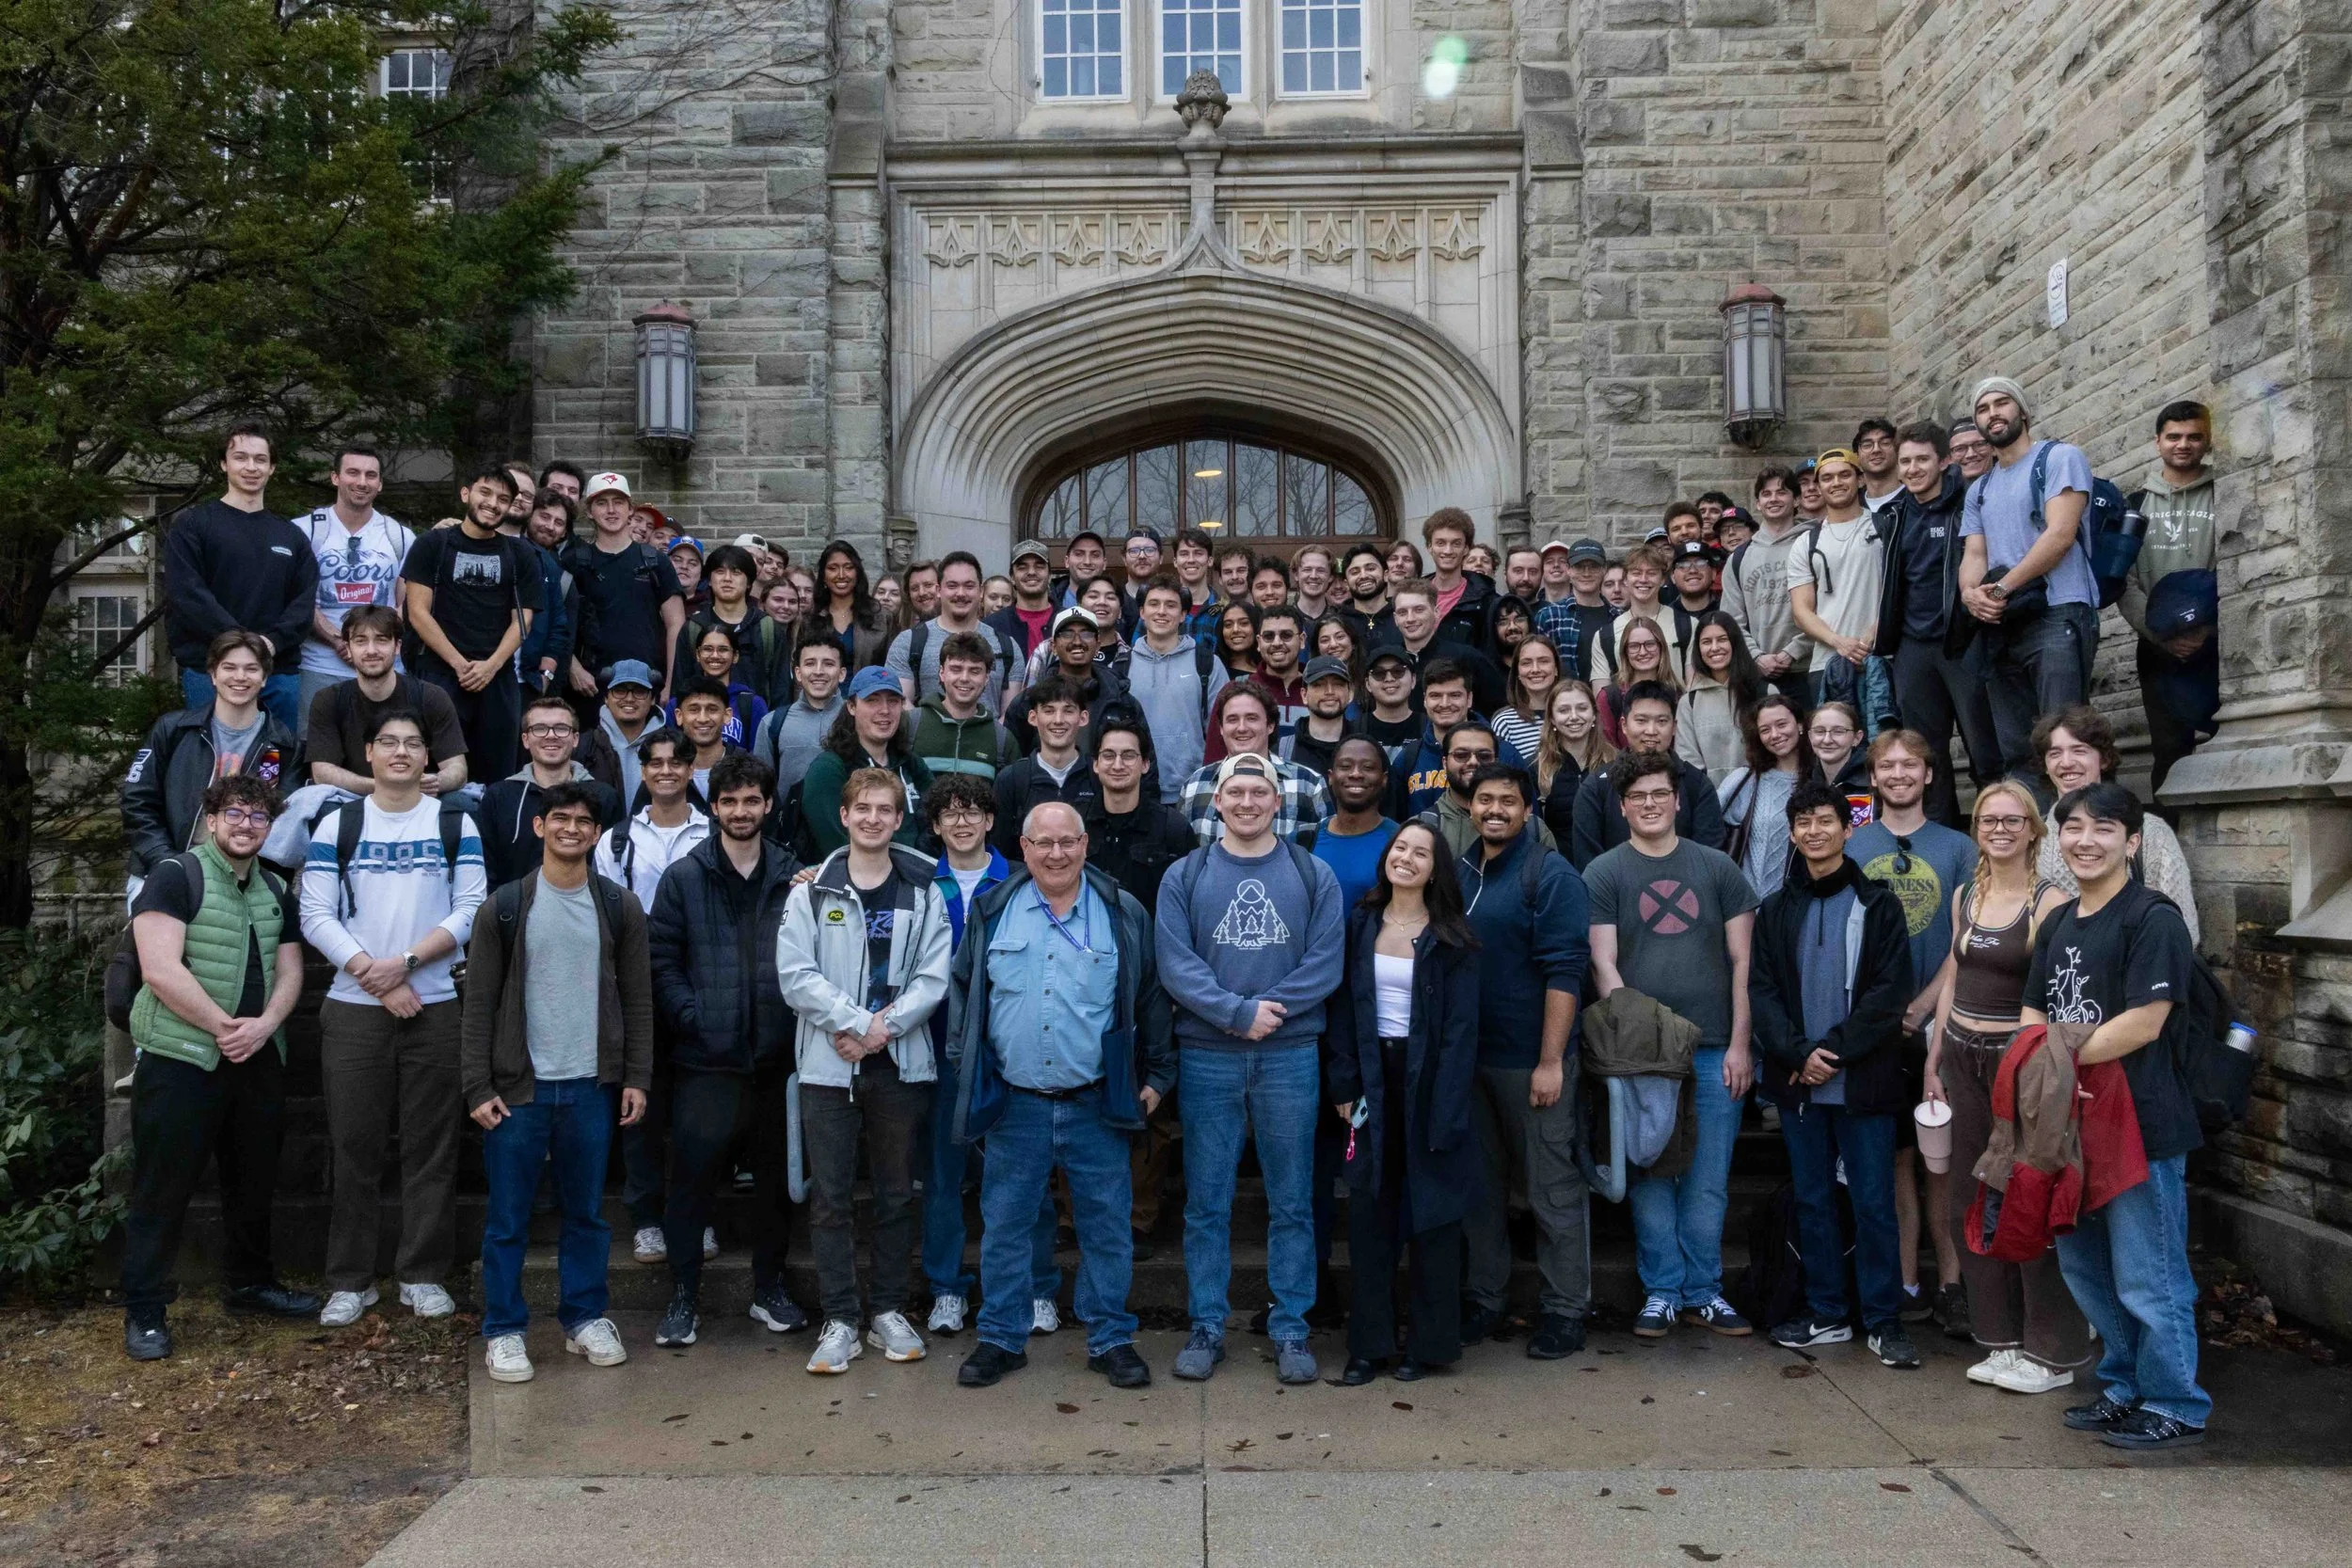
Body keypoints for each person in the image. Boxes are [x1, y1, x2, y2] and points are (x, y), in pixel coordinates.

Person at [947, 801, 1175, 1389]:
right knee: (1006, 1227)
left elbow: (1150, 997)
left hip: (1097, 1104)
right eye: (1043, 843)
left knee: (1107, 1228)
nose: (1056, 854)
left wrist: (1157, 1078)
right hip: (1015, 1103)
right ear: (1023, 848)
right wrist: (967, 1067)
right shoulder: (993, 910)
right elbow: (964, 991)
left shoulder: (1121, 911)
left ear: (1084, 844)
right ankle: (1001, 1338)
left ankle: (1111, 1339)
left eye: (1067, 841)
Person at [2023, 782, 2210, 1450]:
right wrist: (2045, 1066)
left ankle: (2176, 1401)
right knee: (2089, 1270)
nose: (2086, 840)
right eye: (2074, 827)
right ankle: (2126, 1385)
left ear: (2132, 842)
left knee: (2149, 1273)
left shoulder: (2152, 918)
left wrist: (2057, 1059)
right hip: (2071, 1127)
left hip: (2142, 1125)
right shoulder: (2057, 923)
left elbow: (2145, 1022)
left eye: (2104, 829)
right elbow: (2033, 1012)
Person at [1157, 754, 1346, 1386]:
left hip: (1289, 1056)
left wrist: (1268, 1014)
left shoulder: (1311, 873)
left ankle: (1291, 1326)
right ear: (1217, 802)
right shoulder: (1185, 875)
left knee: (1292, 1200)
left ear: (1277, 801)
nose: (1246, 802)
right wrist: (1236, 1013)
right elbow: (1175, 964)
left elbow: (1326, 961)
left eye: (1258, 792)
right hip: (1208, 1056)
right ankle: (1207, 1325)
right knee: (1206, 1201)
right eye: (1235, 792)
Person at [119, 776, 321, 1359]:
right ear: (211, 820)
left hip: (256, 1058)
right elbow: (160, 968)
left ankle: (250, 1285)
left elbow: (290, 971)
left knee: (253, 1182)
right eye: (234, 813)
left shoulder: (276, 888)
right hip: (182, 1058)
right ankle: (145, 1309)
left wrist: (264, 1025)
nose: (245, 825)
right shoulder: (174, 875)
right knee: (162, 1187)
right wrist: (223, 1027)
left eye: (258, 817)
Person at [299, 710, 486, 1327]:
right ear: (369, 753)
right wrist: (373, 976)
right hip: (355, 1010)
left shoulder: (455, 821)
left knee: (432, 1147)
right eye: (389, 742)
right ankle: (350, 1279)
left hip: (435, 1006)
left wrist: (404, 965)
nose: (401, 752)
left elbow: (471, 909)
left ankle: (422, 1274)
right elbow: (315, 913)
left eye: (413, 743)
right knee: (354, 1147)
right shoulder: (339, 822)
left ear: (428, 758)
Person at [463, 782, 652, 1384]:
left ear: (597, 834)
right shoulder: (504, 907)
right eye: (561, 818)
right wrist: (477, 1086)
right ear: (540, 826)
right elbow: (479, 1004)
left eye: (584, 821)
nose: (572, 828)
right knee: (508, 1219)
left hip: (591, 1086)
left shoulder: (619, 906)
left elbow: (638, 1000)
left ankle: (584, 1318)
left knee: (587, 1214)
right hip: (519, 1089)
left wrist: (636, 1076)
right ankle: (504, 1329)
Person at [775, 767, 954, 1374]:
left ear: (899, 819)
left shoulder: (922, 889)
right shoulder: (811, 891)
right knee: (830, 1198)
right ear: (844, 815)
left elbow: (933, 976)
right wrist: (856, 1022)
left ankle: (887, 1310)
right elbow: (796, 975)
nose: (873, 818)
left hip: (899, 1066)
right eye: (863, 808)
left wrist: (883, 1029)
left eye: (885, 809)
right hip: (828, 1067)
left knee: (896, 1195)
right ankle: (841, 1319)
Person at [1586, 752, 1760, 1341]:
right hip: (1643, 1057)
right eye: (1638, 796)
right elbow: (1604, 963)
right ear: (1623, 806)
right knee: (1651, 1174)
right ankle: (1662, 1289)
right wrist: (1636, 1039)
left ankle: (1704, 1291)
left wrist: (1741, 1044)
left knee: (1708, 1177)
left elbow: (1743, 962)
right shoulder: (1604, 872)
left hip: (1715, 1047)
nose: (1651, 804)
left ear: (1678, 800)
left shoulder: (1717, 868)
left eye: (1660, 793)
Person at [1751, 780, 1921, 1369]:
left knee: (1873, 1202)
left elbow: (1890, 992)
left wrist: (1834, 1053)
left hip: (1862, 1082)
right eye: (1803, 823)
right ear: (1792, 835)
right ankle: (1827, 1311)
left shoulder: (1879, 905)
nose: (1814, 831)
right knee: (1814, 1200)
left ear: (1848, 830)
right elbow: (1762, 991)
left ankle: (1883, 1319)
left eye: (1825, 821)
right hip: (1799, 1083)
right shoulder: (1775, 909)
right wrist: (1799, 1054)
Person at [1926, 782, 2085, 1391]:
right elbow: (1952, 976)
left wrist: (2044, 1069)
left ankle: (2051, 1352)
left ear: (2033, 830)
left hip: (2017, 1062)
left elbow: (2058, 994)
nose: (1999, 829)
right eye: (1989, 819)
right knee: (1969, 1197)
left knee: (2027, 1197)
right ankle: (1999, 1340)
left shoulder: (2050, 902)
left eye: (2012, 820)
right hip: (1960, 1055)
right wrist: (1934, 1057)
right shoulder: (1966, 894)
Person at [646, 753, 807, 1349]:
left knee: (774, 1186)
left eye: (752, 800)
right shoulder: (684, 878)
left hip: (775, 1060)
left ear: (768, 805)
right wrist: (693, 1018)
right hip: (705, 1061)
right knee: (691, 1183)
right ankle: (682, 1297)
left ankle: (769, 1289)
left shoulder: (795, 877)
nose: (741, 811)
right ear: (713, 807)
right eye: (730, 801)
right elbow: (661, 960)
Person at [1323, 819, 1479, 1384]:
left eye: (1421, 853)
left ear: (1436, 869)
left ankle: (1429, 1345)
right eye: (1400, 848)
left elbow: (1461, 1031)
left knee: (1432, 1217)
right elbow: (1342, 1006)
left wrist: (1447, 1107)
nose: (1406, 858)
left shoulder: (1454, 937)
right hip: (1371, 1076)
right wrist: (1344, 1083)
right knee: (1370, 1213)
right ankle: (1370, 1345)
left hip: (1431, 1082)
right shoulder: (1360, 923)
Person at [1455, 765, 1593, 1357]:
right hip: (1470, 1063)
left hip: (1531, 1062)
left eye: (1507, 801)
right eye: (1484, 799)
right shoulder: (1460, 871)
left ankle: (1565, 1309)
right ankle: (1486, 1298)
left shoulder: (1550, 874)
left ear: (1528, 808)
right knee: (1481, 1190)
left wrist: (1551, 1061)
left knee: (1551, 1189)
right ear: (1469, 807)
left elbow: (1565, 971)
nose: (1494, 809)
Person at [915, 774, 1056, 1335]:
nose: (962, 822)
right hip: (941, 1049)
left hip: (1010, 1049)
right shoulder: (921, 881)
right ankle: (947, 1288)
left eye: (972, 811)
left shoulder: (1023, 880)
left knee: (1027, 1175)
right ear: (935, 825)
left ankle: (1038, 1288)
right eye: (950, 813)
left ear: (991, 821)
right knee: (944, 1175)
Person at [1849, 731, 1977, 1329]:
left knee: (1942, 1159)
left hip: (1943, 1019)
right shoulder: (1854, 846)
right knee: (1896, 1158)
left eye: (1911, 765)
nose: (1899, 774)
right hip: (1877, 1029)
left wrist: (1924, 1005)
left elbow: (1969, 936)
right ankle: (1905, 1282)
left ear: (1928, 774)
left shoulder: (1957, 848)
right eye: (1887, 766)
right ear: (1873, 777)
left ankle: (1952, 1282)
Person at [1958, 377, 2101, 768]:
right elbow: (1974, 553)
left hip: (2058, 611)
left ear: (2022, 411)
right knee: (2017, 750)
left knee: (2066, 738)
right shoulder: (1979, 489)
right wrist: (1971, 594)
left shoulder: (2059, 458)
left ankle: (2080, 809)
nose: (1993, 413)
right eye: (1983, 409)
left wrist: (2001, 588)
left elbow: (2060, 535)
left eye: (2001, 403)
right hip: (2003, 623)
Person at [1877, 420, 2002, 826]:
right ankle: (1938, 842)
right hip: (1912, 647)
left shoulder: (1968, 503)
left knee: (1985, 749)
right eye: (1906, 461)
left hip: (1963, 640)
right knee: (1925, 755)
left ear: (1944, 461)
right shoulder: (1894, 514)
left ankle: (1996, 834)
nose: (1913, 469)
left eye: (1922, 460)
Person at [123, 632, 302, 898]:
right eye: (229, 667)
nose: (240, 677)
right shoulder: (173, 730)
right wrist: (168, 864)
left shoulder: (284, 746)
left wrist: (249, 878)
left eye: (251, 669)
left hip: (243, 881)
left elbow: (283, 823)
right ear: (213, 675)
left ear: (265, 677)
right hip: (165, 868)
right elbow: (138, 802)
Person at [163, 425, 316, 731]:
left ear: (272, 468)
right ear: (224, 463)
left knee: (276, 757)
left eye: (260, 459)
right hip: (211, 671)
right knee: (214, 757)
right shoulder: (193, 525)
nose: (251, 467)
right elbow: (188, 594)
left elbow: (303, 603)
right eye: (240, 457)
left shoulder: (291, 536)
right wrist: (240, 644)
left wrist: (271, 643)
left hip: (277, 673)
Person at [401, 465, 541, 779]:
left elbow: (523, 620)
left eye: (503, 499)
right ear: (466, 494)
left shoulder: (520, 554)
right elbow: (417, 612)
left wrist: (490, 666)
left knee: (497, 777)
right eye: (485, 493)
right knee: (433, 774)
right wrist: (459, 664)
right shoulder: (432, 544)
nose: (493, 503)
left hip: (497, 679)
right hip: (438, 676)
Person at [2029, 705, 2201, 938]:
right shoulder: (2031, 836)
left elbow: (2181, 930)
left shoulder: (2151, 832)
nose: (2066, 762)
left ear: (2104, 759)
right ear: (2045, 765)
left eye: (2079, 750)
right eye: (2055, 753)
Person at [2122, 401, 2220, 794]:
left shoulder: (2227, 491)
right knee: (2168, 753)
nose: (2183, 445)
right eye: (2174, 437)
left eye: (2194, 437)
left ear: (2207, 441)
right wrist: (2158, 634)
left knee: (2227, 741)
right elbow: (2122, 581)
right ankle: (2169, 831)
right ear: (2157, 441)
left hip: (2218, 644)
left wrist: (2208, 630)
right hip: (2157, 648)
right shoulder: (2134, 505)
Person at [291, 448, 412, 731]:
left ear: (380, 484)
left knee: (384, 744)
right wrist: (338, 641)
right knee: (317, 748)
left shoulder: (400, 536)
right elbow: (296, 598)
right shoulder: (304, 531)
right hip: (319, 666)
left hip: (383, 670)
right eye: (353, 473)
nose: (362, 482)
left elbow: (407, 603)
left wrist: (372, 647)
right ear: (335, 477)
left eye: (371, 475)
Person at [305, 607, 468, 797]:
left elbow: (457, 769)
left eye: (381, 640)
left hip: (421, 796)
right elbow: (322, 772)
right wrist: (384, 786)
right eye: (360, 641)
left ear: (397, 646)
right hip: (354, 798)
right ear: (348, 648)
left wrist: (435, 782)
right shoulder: (329, 699)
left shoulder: (431, 696)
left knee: (461, 804)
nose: (371, 650)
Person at [1568, 681, 1727, 869]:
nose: (1651, 731)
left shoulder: (1696, 784)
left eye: (1662, 721)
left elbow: (1710, 860)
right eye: (1641, 721)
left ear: (1674, 727)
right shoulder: (1597, 787)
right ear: (1624, 725)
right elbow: (1589, 866)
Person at [562, 472, 687, 701]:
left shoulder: (656, 562)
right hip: (590, 685)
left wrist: (671, 684)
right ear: (589, 511)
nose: (611, 510)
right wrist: (574, 668)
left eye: (618, 502)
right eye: (602, 503)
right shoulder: (573, 562)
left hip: (647, 682)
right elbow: (555, 621)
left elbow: (676, 624)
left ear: (630, 509)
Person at [478, 693, 622, 889]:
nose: (551, 735)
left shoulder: (604, 797)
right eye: (540, 729)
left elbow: (612, 869)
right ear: (526, 739)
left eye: (561, 728)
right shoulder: (498, 797)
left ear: (575, 739)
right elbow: (488, 870)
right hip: (513, 906)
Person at [1787, 448, 1888, 722]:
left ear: (1860, 479)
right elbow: (1801, 612)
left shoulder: (1885, 527)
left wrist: (1870, 637)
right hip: (1827, 664)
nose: (1836, 483)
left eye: (1844, 475)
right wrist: (1839, 643)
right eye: (1827, 478)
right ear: (1819, 487)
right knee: (1834, 741)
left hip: (1882, 657)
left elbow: (1902, 591)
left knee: (1886, 740)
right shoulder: (1806, 543)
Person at [801, 667, 933, 856]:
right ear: (851, 707)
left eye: (893, 701)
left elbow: (936, 819)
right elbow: (835, 843)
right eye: (872, 700)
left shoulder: (911, 764)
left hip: (918, 868)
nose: (885, 710)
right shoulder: (829, 769)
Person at [1180, 684, 1332, 846]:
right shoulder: (1194, 786)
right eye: (1232, 719)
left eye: (1251, 718)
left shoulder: (1309, 784)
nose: (1242, 728)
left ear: (1270, 725)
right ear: (1222, 728)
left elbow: (1327, 848)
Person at [1082, 713, 1200, 915]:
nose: (1118, 765)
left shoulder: (1173, 828)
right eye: (1108, 755)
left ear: (1145, 764)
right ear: (1096, 764)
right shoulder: (1076, 825)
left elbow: (1191, 898)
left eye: (1128, 755)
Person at [1388, 660, 1526, 821]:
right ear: (1425, 700)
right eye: (1435, 696)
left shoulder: (1505, 753)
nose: (1445, 704)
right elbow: (1395, 823)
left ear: (1469, 699)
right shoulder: (1408, 758)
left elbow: (1526, 818)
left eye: (1454, 695)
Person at [1124, 575, 1228, 789]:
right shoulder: (1122, 666)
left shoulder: (1207, 664)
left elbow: (1222, 731)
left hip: (1193, 788)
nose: (1161, 611)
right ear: (1142, 612)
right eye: (1154, 604)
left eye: (1170, 605)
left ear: (1182, 615)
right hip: (1134, 788)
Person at [887, 552, 1021, 713]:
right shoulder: (907, 643)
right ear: (938, 590)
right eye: (952, 586)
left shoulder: (1007, 646)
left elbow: (1011, 714)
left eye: (969, 586)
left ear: (981, 591)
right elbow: (900, 701)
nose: (961, 593)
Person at [1722, 467, 1811, 698]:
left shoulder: (1814, 543)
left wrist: (1793, 652)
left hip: (1809, 668)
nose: (1773, 499)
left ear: (1796, 500)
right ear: (1758, 504)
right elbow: (1731, 621)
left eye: (1781, 492)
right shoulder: (1739, 558)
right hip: (1759, 673)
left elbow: (1829, 608)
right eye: (1766, 494)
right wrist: (1757, 656)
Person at [1716, 692, 1815, 897]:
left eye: (1782, 724)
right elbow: (1707, 825)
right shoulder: (1746, 780)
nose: (1775, 735)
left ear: (1800, 725)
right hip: (1746, 902)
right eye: (1765, 730)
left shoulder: (1818, 779)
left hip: (1799, 902)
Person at [992, 673, 1101, 855]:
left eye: (1068, 711)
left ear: (1083, 718)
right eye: (1049, 711)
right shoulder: (1011, 780)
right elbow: (999, 852)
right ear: (1033, 717)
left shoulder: (1098, 776)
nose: (1058, 720)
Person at [675, 543, 789, 711]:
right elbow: (679, 688)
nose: (727, 578)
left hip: (757, 723)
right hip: (702, 722)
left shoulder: (768, 629)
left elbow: (781, 693)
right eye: (720, 571)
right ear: (709, 581)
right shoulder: (693, 628)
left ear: (749, 582)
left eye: (736, 572)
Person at [1381, 578, 1505, 713]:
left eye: (1419, 610)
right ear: (1395, 619)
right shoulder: (1387, 661)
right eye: (1403, 612)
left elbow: (1499, 708)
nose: (1410, 618)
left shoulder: (1466, 658)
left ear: (1436, 612)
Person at [909, 630, 1018, 782]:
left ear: (986, 678)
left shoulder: (1002, 740)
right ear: (942, 673)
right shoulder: (910, 725)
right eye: (956, 669)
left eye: (975, 671)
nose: (964, 678)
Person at [753, 638, 848, 800]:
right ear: (798, 673)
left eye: (828, 664)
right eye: (810, 663)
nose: (819, 671)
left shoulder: (859, 719)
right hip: (788, 815)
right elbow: (759, 786)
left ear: (842, 674)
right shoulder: (772, 723)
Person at [1675, 612, 1762, 783]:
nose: (1714, 648)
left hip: (1759, 791)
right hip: (1709, 794)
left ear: (1735, 642)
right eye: (1707, 642)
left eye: (1722, 639)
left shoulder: (1763, 691)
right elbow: (1688, 761)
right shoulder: (1689, 702)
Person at [1534, 680, 1615, 848]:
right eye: (1564, 710)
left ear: (1594, 714)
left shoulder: (1616, 762)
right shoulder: (1537, 767)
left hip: (1610, 860)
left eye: (1582, 708)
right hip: (1560, 861)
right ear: (1552, 719)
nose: (1573, 716)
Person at [797, 538, 890, 673]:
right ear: (823, 575)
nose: (841, 575)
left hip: (868, 686)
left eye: (848, 568)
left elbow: (892, 668)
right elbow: (799, 668)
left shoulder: (880, 617)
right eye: (833, 568)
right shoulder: (809, 618)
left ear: (857, 573)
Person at [1532, 540, 1617, 682]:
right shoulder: (1549, 617)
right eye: (1579, 567)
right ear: (1568, 570)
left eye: (1593, 566)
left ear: (1604, 570)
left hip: (1610, 695)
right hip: (1564, 695)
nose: (1586, 573)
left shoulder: (1618, 617)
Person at [677, 622, 769, 747]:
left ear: (735, 656)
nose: (715, 655)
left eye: (723, 650)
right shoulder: (679, 703)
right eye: (708, 649)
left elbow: (758, 754)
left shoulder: (753, 704)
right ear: (698, 655)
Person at [1596, 617, 1680, 749]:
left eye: (1650, 644)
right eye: (1634, 646)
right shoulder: (1609, 698)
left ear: (1661, 647)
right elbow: (1606, 749)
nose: (1643, 652)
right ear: (1625, 652)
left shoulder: (1677, 696)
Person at [1420, 508, 1493, 653]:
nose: (1448, 551)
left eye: (1456, 544)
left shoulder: (1485, 600)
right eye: (1440, 543)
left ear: (1466, 549)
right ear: (1429, 547)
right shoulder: (1415, 595)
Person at [1280, 654, 1357, 779]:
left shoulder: (1368, 748)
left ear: (1350, 693)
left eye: (1338, 684)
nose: (1329, 692)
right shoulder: (1282, 751)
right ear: (1304, 695)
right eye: (1318, 685)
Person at [989, 540, 1060, 662]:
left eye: (1039, 567)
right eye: (1022, 568)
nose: (1031, 572)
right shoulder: (993, 626)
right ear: (1012, 577)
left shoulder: (1069, 620)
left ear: (1049, 576)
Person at [1493, 634, 1563, 761]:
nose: (1535, 669)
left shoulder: (1573, 716)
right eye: (1526, 663)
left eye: (1543, 661)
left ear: (1556, 668)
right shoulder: (1505, 722)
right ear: (1517, 673)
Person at [1249, 604, 1311, 737]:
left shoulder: (1319, 691)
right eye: (1268, 636)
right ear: (1259, 642)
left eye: (1286, 635)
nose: (1277, 643)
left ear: (1302, 640)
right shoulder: (1240, 690)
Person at [1809, 701, 1872, 816]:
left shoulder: (1873, 782)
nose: (1827, 740)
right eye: (1819, 731)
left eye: (1838, 731)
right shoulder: (1805, 784)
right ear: (1810, 736)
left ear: (1857, 738)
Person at [1359, 647, 1422, 758]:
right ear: (1368, 684)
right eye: (1379, 673)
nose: (1389, 679)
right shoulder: (1352, 729)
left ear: (1413, 680)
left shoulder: (1430, 728)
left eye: (1398, 671)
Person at [1335, 541, 1395, 648]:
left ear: (1386, 575)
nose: (1363, 576)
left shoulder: (1403, 615)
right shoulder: (1337, 623)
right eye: (1355, 572)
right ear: (1346, 583)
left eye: (1370, 568)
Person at [1856, 418, 1905, 514]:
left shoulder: (1915, 499)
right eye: (1867, 445)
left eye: (1885, 443)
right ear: (1857, 456)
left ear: (1898, 451)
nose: (1876, 450)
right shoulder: (1851, 504)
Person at [1213, 597, 1261, 681]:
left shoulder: (1269, 671)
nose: (1235, 630)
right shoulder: (1212, 670)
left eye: (1244, 623)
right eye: (1228, 625)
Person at [1292, 544, 1337, 622]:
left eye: (1321, 570)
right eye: (1307, 570)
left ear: (1330, 577)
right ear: (1296, 575)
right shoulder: (1285, 618)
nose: (1314, 576)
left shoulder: (1341, 619)